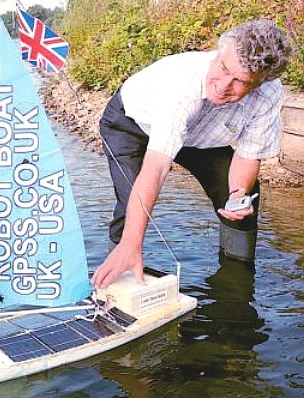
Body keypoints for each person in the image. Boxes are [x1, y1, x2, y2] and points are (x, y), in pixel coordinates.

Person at [92, 19, 292, 289]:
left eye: (240, 81)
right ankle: (119, 274)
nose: (223, 85)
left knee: (241, 196)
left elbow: (247, 155)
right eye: (223, 69)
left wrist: (236, 195)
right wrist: (132, 242)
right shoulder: (182, 85)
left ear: (259, 83)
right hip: (131, 124)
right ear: (219, 54)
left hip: (201, 137)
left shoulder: (268, 95)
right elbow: (155, 168)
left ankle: (237, 276)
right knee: (132, 201)